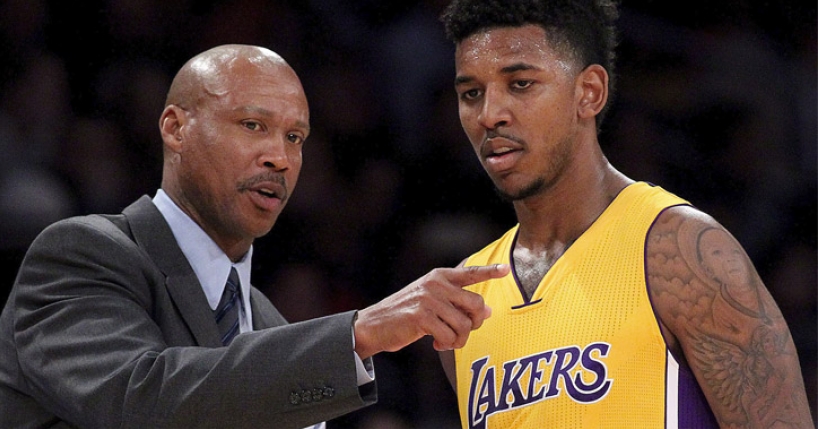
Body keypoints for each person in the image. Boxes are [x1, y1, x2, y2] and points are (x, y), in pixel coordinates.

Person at [0, 44, 510, 429]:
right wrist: (358, 333)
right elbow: (139, 402)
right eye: (252, 125)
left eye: (294, 137)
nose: (280, 158)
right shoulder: (84, 254)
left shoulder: (269, 322)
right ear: (176, 129)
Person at [436, 0, 814, 427]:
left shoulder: (680, 253)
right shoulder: (467, 297)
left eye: (520, 84)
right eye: (471, 94)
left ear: (589, 92)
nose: (489, 115)